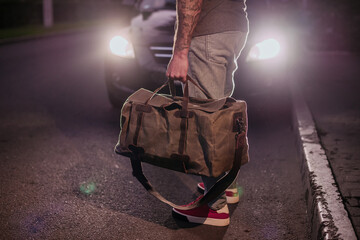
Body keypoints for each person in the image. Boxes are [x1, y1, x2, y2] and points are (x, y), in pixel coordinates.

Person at [166, 0, 249, 227]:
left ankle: (215, 206)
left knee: (205, 122)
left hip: (208, 31)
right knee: (222, 116)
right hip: (235, 26)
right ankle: (227, 186)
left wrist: (180, 53)